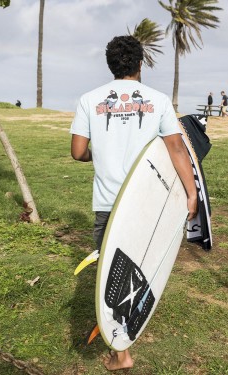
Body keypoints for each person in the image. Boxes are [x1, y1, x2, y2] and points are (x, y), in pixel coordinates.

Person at [70, 35, 197, 371]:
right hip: (150, 201)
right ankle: (123, 344)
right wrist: (191, 192)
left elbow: (78, 151)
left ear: (111, 65)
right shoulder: (157, 100)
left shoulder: (89, 99)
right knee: (143, 265)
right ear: (141, 64)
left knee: (116, 270)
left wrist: (101, 155)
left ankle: (121, 351)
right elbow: (176, 148)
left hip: (109, 205)